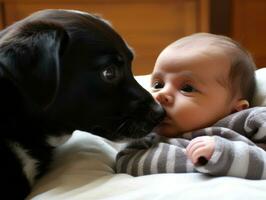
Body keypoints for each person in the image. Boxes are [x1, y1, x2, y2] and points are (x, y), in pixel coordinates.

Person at [115, 33, 266, 179]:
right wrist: (196, 160)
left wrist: (223, 155)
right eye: (158, 84)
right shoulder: (148, 138)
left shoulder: (245, 120)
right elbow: (125, 162)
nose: (160, 95)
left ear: (235, 108)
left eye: (187, 89)